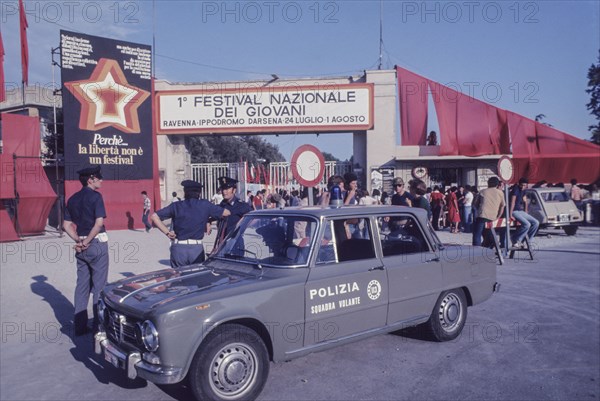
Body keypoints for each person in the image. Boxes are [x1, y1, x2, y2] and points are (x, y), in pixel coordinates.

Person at [62, 165, 109, 336]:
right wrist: (87, 241)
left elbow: (66, 225)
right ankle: (98, 326)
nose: (101, 180)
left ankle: (80, 327)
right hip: (96, 244)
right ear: (91, 179)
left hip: (81, 245)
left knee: (82, 286)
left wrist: (79, 240)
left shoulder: (72, 199)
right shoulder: (96, 197)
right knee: (99, 287)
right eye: (99, 178)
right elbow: (99, 224)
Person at [151, 180, 230, 267]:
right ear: (199, 193)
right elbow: (226, 213)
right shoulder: (204, 205)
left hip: (179, 248)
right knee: (195, 278)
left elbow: (154, 217)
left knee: (178, 278)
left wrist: (167, 232)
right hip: (196, 249)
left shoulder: (176, 206)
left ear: (185, 192)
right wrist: (208, 219)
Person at [212, 176, 253, 249]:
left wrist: (241, 229)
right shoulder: (221, 205)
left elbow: (253, 218)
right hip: (221, 243)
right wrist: (208, 222)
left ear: (234, 190)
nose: (224, 192)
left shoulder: (241, 206)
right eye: (223, 189)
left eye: (227, 189)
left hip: (235, 244)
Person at [472, 177, 505, 247]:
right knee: (489, 234)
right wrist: (498, 216)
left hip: (482, 216)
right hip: (493, 217)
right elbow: (502, 206)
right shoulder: (500, 193)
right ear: (497, 184)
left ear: (488, 183)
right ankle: (487, 249)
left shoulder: (482, 191)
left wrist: (479, 210)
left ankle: (476, 250)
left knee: (477, 234)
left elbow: (475, 204)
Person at [509, 177, 539, 248]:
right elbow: (512, 202)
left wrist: (526, 211)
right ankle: (515, 239)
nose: (522, 187)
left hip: (520, 211)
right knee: (527, 224)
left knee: (536, 223)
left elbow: (525, 201)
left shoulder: (524, 190)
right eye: (521, 185)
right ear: (519, 184)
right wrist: (510, 214)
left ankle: (527, 241)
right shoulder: (515, 189)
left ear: (526, 185)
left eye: (524, 185)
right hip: (514, 211)